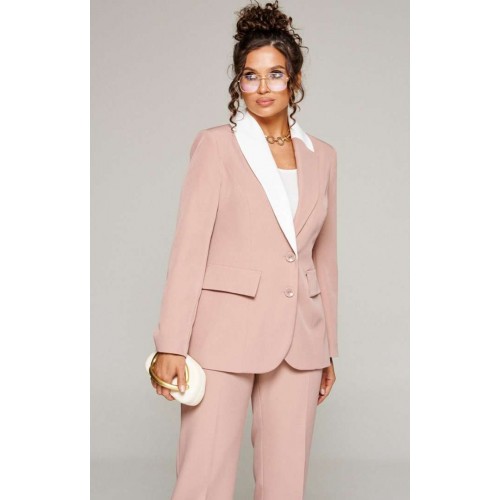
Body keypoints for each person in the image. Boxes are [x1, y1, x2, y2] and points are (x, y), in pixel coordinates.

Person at [150, 1, 338, 498]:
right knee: (203, 479)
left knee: (285, 483)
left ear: (294, 80)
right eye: (251, 76)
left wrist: (327, 348)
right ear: (239, 83)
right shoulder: (216, 146)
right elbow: (188, 249)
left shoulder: (323, 157)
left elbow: (324, 259)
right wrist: (171, 343)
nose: (262, 87)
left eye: (275, 74)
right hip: (223, 332)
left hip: (300, 339)